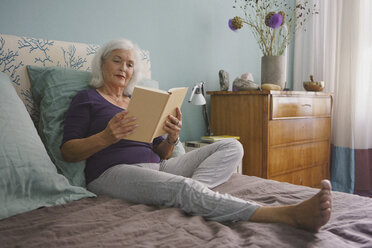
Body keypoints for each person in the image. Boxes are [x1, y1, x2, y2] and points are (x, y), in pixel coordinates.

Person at [60, 38, 332, 232]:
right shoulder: (87, 99)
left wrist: (172, 138)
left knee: (231, 147)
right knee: (183, 187)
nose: (124, 68)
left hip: (159, 166)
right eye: (117, 61)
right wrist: (106, 137)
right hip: (112, 173)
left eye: (130, 64)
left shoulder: (138, 100)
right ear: (102, 64)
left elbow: (161, 153)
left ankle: (194, 197)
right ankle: (284, 215)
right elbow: (68, 151)